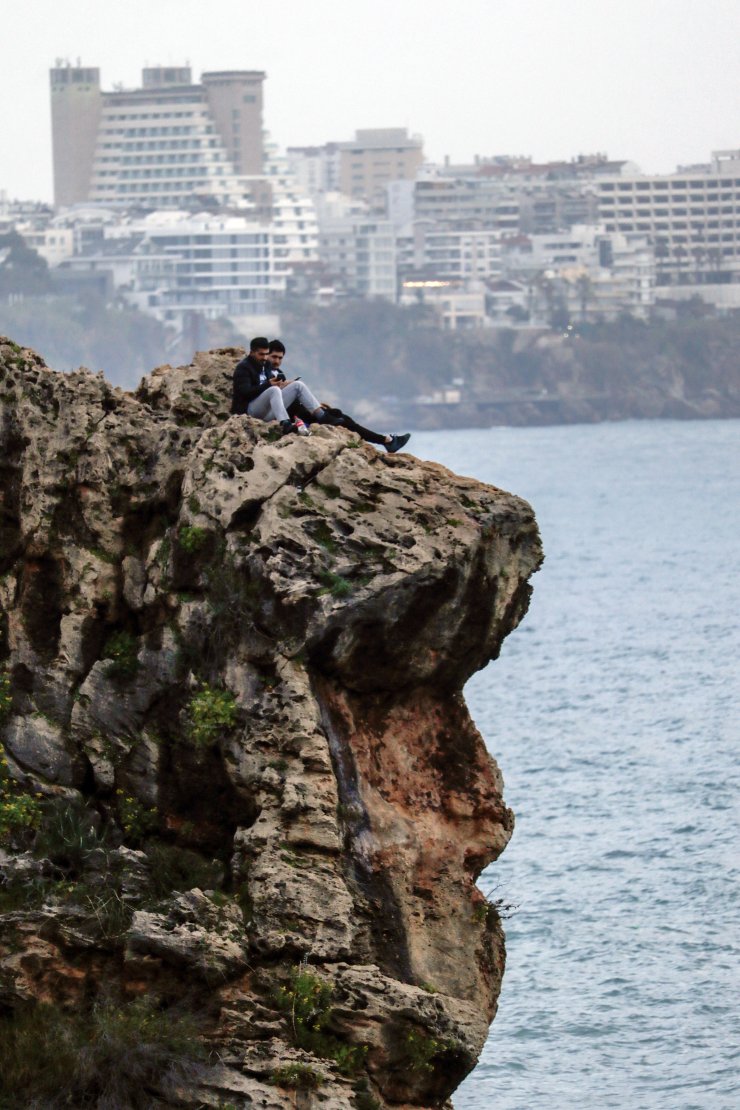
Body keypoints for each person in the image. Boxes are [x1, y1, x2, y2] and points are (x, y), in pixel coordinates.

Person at [267, 340, 411, 454]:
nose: (277, 361)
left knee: (340, 415)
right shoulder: (262, 372)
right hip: (290, 415)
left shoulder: (278, 373)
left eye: (280, 358)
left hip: (298, 409)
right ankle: (387, 441)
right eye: (274, 357)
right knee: (341, 420)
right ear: (266, 354)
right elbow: (264, 396)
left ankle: (386, 440)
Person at [231, 337, 326, 436]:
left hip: (268, 412)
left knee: (298, 385)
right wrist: (268, 384)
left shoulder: (266, 364)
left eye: (266, 354)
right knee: (274, 390)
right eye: (261, 354)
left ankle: (323, 416)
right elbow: (245, 393)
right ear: (252, 353)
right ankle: (286, 424)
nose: (264, 357)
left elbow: (271, 389)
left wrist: (282, 385)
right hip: (249, 412)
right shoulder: (243, 367)